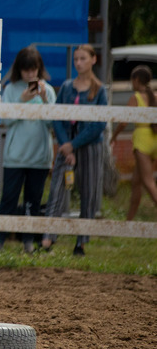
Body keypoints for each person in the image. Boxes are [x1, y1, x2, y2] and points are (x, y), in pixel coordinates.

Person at [42, 44, 107, 256]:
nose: (79, 63)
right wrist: (65, 145)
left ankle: (81, 242)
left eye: (83, 59)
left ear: (93, 60)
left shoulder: (100, 90)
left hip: (89, 146)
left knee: (88, 193)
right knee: (57, 190)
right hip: (65, 146)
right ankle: (48, 238)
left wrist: (75, 144)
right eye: (76, 59)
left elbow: (99, 124)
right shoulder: (67, 87)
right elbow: (58, 117)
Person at [0, 46, 56, 254]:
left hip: (39, 157)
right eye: (26, 70)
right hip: (15, 157)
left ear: (39, 69)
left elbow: (53, 125)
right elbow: (5, 120)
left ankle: (28, 242)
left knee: (33, 202)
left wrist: (45, 100)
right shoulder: (11, 90)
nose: (30, 74)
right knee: (8, 199)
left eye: (33, 69)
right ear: (19, 69)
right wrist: (22, 100)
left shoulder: (48, 90)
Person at [111, 65, 157, 221]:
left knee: (148, 182)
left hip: (142, 140)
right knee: (136, 182)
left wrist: (114, 136)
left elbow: (124, 122)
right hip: (154, 140)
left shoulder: (136, 97)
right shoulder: (155, 96)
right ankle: (129, 221)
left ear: (136, 80)